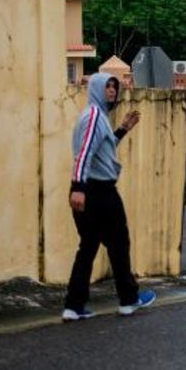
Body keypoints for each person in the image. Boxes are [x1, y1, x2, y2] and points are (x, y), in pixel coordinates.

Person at [62, 72, 156, 321]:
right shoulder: (94, 116)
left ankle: (73, 305)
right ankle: (129, 299)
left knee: (88, 247)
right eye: (107, 87)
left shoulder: (96, 117)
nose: (112, 91)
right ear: (96, 89)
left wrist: (122, 129)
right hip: (99, 192)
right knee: (119, 243)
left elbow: (102, 149)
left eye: (114, 87)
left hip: (89, 191)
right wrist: (78, 186)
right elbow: (84, 154)